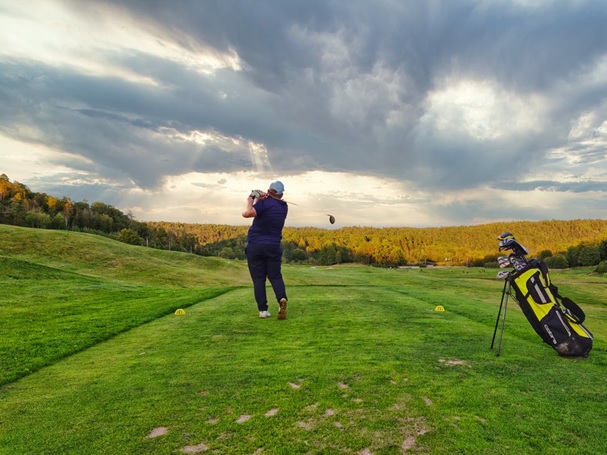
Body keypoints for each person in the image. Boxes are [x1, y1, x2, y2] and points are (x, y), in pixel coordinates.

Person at [242, 181, 289, 319]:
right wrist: (261, 198)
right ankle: (282, 298)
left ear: (269, 191)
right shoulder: (284, 207)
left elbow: (247, 213)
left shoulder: (264, 204)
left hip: (256, 245)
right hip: (273, 246)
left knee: (258, 279)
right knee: (275, 276)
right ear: (281, 194)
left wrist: (251, 197)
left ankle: (263, 311)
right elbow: (266, 209)